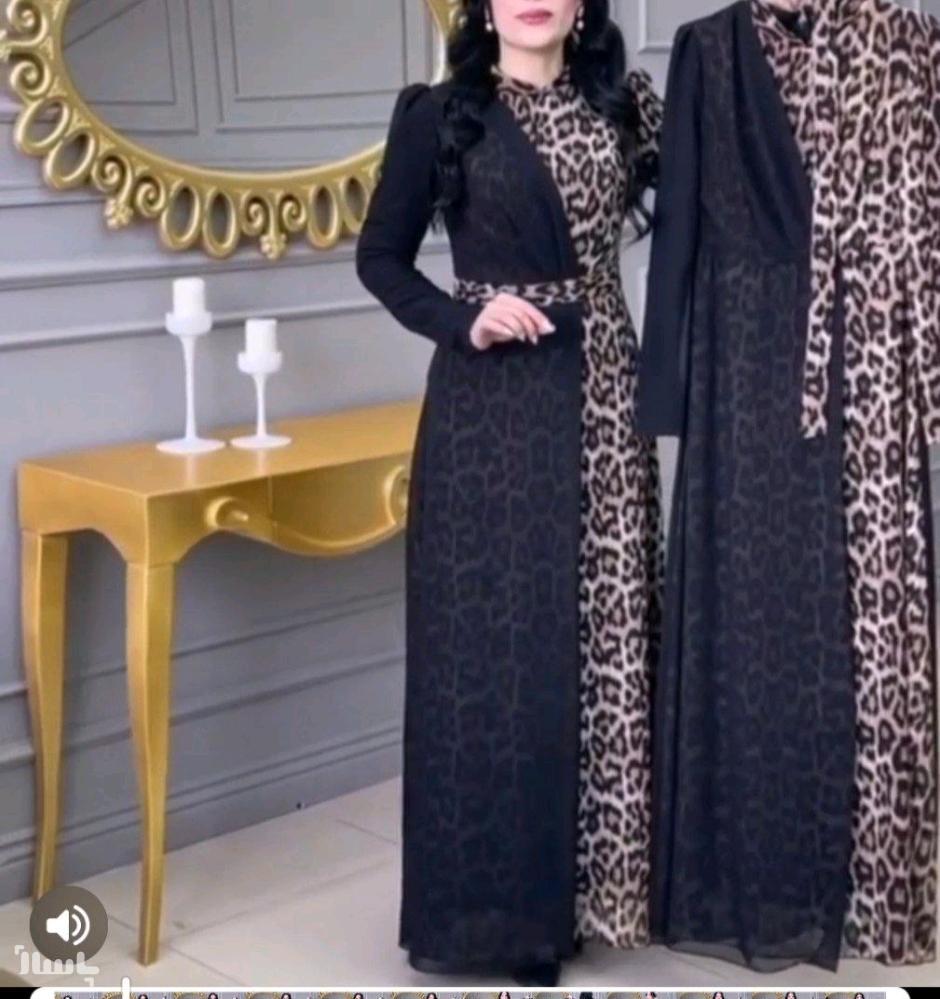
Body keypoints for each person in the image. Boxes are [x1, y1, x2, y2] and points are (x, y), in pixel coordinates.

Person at [355, 0, 663, 985]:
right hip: (487, 411)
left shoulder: (625, 107)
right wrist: (465, 320)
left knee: (606, 636)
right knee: (491, 648)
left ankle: (599, 895)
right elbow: (380, 259)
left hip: (604, 398)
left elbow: (714, 213)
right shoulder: (440, 114)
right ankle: (498, 916)